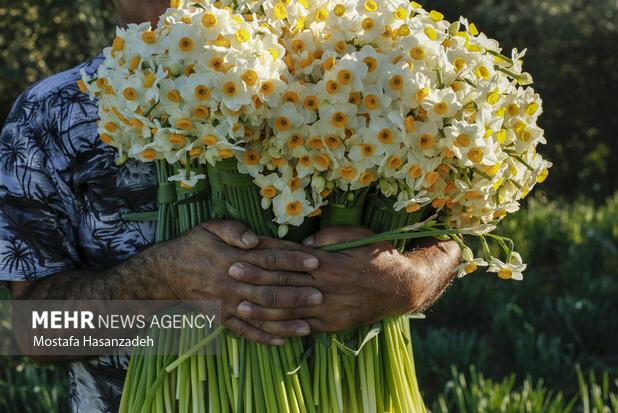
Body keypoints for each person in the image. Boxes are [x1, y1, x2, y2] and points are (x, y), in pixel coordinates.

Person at [0, 1, 461, 411]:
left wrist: (411, 280)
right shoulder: (53, 115)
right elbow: (39, 334)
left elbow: (447, 234)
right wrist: (158, 282)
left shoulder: (334, 72)